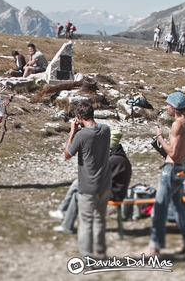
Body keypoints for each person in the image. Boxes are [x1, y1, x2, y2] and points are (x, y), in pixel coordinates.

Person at [138, 92, 185, 257]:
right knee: (179, 207)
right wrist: (171, 152)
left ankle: (155, 247)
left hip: (172, 169)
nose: (167, 107)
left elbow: (174, 154)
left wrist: (160, 138)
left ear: (174, 107)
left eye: (168, 105)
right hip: (182, 167)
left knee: (160, 207)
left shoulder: (177, 125)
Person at [50, 130, 132, 233]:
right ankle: (65, 219)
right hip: (111, 190)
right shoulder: (117, 157)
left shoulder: (115, 160)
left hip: (114, 194)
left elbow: (101, 178)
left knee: (78, 187)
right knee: (78, 186)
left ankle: (64, 216)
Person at [63, 101, 111, 258]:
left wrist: (72, 132)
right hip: (105, 183)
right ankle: (101, 251)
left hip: (88, 186)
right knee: (100, 219)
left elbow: (67, 155)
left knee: (86, 222)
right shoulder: (106, 129)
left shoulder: (81, 135)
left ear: (78, 116)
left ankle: (87, 256)